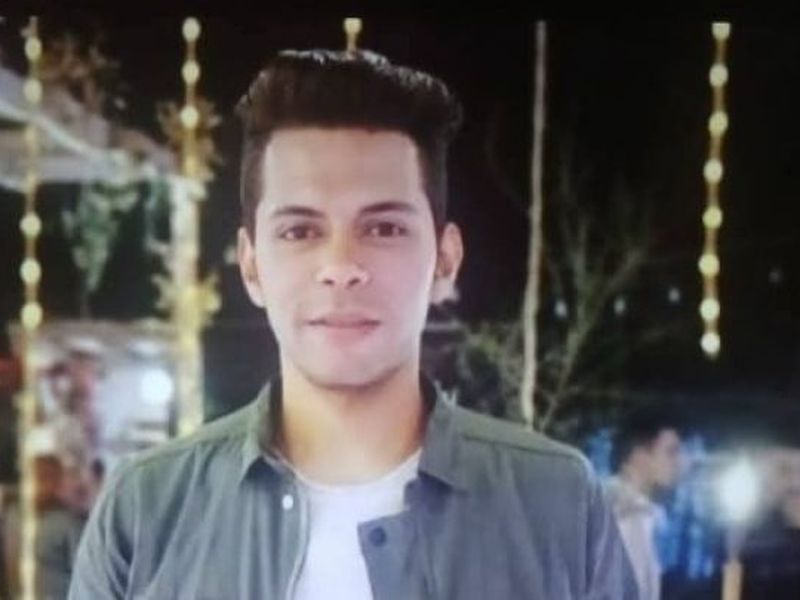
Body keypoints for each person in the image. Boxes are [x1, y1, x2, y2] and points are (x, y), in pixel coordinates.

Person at [69, 48, 638, 599]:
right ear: (251, 266)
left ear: (445, 261)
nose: (341, 267)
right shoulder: (146, 511)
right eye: (300, 231)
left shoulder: (556, 504)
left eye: (384, 228)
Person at [607, 407, 685, 600]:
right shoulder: (624, 515)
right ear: (640, 455)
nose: (679, 463)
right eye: (671, 452)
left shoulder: (642, 513)